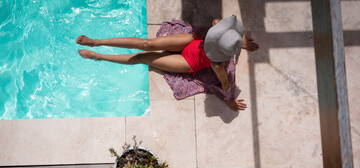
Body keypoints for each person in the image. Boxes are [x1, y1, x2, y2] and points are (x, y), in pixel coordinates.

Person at [77, 16, 259, 111]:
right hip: (191, 42)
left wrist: (229, 99)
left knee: (142, 57)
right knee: (146, 44)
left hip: (188, 61)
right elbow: (216, 21)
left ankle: (97, 55)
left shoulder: (218, 65)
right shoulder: (220, 28)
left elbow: (225, 84)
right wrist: (237, 41)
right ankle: (97, 41)